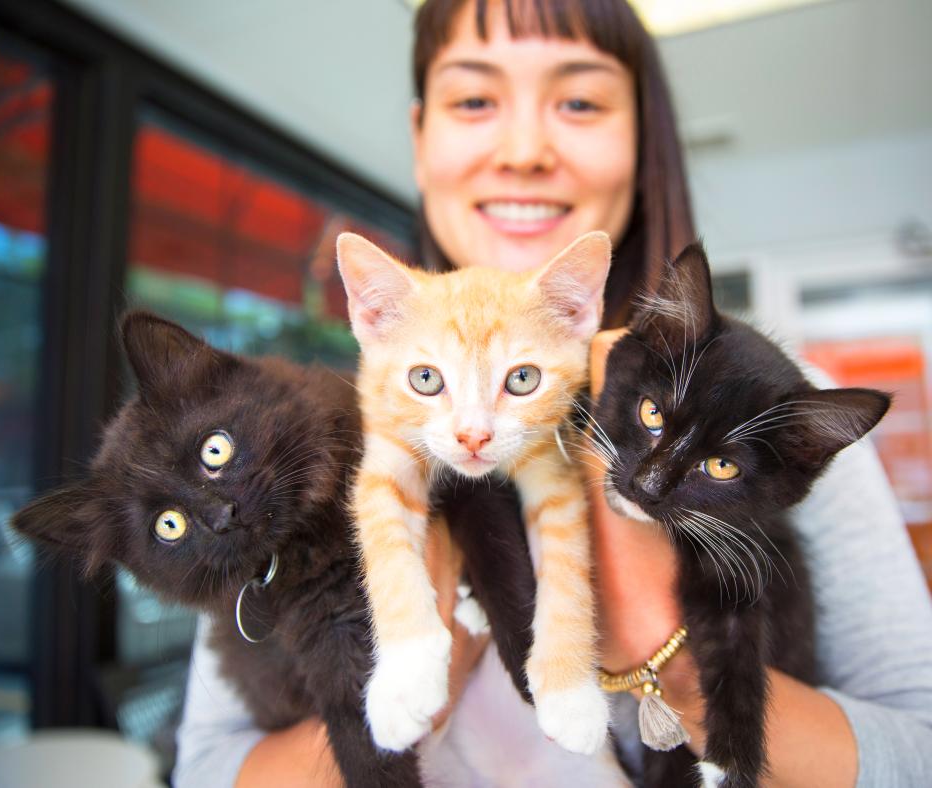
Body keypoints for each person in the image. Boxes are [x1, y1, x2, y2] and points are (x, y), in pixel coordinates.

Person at [174, 1, 932, 786]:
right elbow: (206, 767)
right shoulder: (311, 428)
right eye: (474, 100)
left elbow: (920, 750)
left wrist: (664, 657)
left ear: (641, 139)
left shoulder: (751, 413)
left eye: (579, 101)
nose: (526, 150)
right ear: (420, 137)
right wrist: (419, 682)